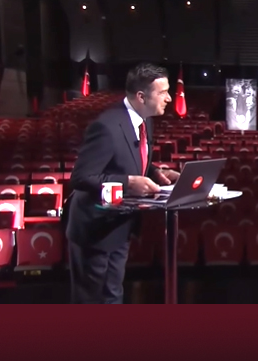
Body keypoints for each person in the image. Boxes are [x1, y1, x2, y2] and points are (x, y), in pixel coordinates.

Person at [64, 63, 180, 304]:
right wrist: (128, 183)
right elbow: (81, 178)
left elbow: (130, 160)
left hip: (120, 225)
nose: (169, 98)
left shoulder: (145, 120)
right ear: (141, 96)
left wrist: (156, 172)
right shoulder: (106, 127)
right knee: (91, 302)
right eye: (163, 92)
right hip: (95, 229)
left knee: (113, 296)